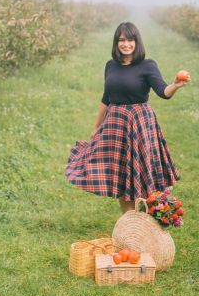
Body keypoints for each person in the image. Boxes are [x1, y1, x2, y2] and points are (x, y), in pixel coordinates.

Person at [65, 21, 190, 214]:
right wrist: (97, 127)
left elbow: (163, 92)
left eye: (130, 40)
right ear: (116, 42)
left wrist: (174, 85)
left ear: (137, 42)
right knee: (121, 174)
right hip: (115, 124)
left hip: (140, 122)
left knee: (141, 172)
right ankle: (128, 220)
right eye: (122, 40)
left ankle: (145, 219)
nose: (126, 44)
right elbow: (106, 98)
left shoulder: (147, 66)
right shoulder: (111, 66)